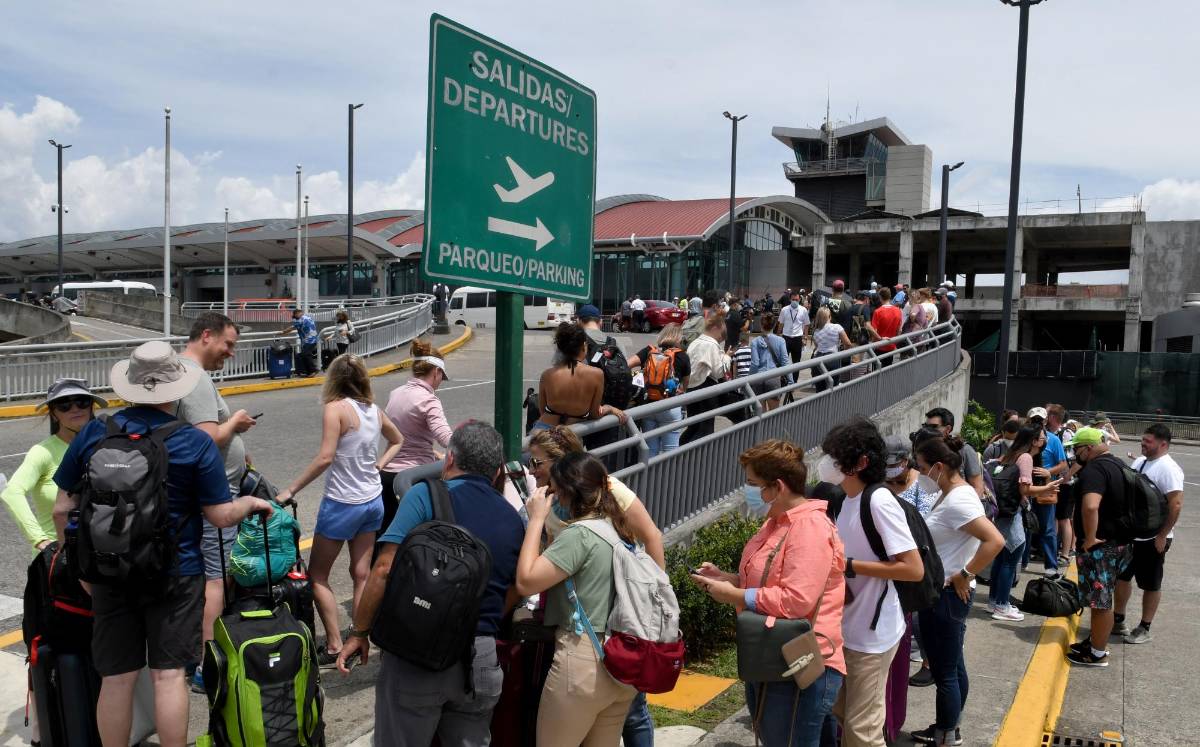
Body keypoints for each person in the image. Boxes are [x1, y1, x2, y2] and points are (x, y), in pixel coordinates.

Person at [52, 341, 275, 747]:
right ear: (176, 390)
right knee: (169, 675)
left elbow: (63, 507)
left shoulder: (95, 433)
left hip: (107, 570)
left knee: (116, 678)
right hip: (176, 573)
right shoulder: (193, 442)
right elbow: (220, 516)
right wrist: (252, 502)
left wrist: (80, 565)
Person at [337, 422, 523, 743]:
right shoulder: (512, 518)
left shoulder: (425, 495)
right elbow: (516, 588)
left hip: (419, 656)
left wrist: (360, 633)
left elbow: (383, 569)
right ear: (496, 472)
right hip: (480, 660)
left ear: (449, 459)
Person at [691, 440, 846, 745]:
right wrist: (729, 578)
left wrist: (734, 595)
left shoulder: (809, 527)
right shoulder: (776, 522)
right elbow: (771, 579)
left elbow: (797, 600)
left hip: (800, 662)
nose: (748, 490)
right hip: (773, 655)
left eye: (752, 484)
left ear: (777, 487)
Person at [274, 354, 405, 665]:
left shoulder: (335, 410)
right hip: (372, 501)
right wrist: (379, 466)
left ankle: (333, 645)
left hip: (342, 504)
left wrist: (290, 490)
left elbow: (324, 458)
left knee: (317, 575)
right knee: (361, 574)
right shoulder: (374, 410)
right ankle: (359, 637)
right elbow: (398, 440)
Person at [513, 452, 639, 744]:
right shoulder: (619, 529)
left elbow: (526, 581)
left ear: (568, 494)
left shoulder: (580, 535)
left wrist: (536, 520)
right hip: (621, 661)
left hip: (583, 662)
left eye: (554, 491)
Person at [819, 418, 924, 747]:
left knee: (862, 732)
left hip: (872, 635)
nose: (827, 464)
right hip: (846, 628)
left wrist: (849, 565)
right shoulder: (845, 500)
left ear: (861, 462)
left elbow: (913, 568)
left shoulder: (877, 501)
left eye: (837, 457)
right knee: (842, 715)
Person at [174, 312, 259, 692]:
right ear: (206, 335)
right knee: (215, 580)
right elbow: (204, 440)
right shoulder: (194, 379)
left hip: (205, 493)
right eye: (228, 344)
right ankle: (205, 666)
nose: (230, 352)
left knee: (210, 577)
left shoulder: (182, 372)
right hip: (214, 498)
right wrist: (235, 425)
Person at [909, 436, 1004, 746]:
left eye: (922, 467)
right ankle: (949, 727)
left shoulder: (960, 499)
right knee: (952, 667)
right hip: (942, 593)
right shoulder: (950, 493)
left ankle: (946, 734)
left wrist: (965, 573)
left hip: (948, 595)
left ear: (938, 466)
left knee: (945, 672)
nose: (919, 473)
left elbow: (995, 541)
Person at [2, 379, 106, 556]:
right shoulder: (42, 452)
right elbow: (11, 492)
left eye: (82, 401)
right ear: (53, 414)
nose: (75, 408)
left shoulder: (108, 445)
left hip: (99, 554)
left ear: (92, 406)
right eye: (64, 404)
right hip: (58, 558)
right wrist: (40, 540)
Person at [1065, 427, 1134, 667]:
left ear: (1089, 448)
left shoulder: (1094, 469)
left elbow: (1091, 506)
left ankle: (1097, 653)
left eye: (1077, 448)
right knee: (1103, 598)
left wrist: (1090, 537)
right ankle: (1096, 641)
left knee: (1100, 602)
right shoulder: (1119, 465)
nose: (1075, 454)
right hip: (1121, 544)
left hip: (1101, 547)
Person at [1113, 424, 1184, 645]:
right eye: (1143, 439)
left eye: (1148, 441)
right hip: (1133, 535)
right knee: (1122, 577)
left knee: (1150, 583)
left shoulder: (1169, 468)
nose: (1143, 443)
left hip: (1154, 537)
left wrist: (1163, 535)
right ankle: (1119, 619)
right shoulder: (1141, 462)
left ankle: (1144, 627)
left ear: (1163, 444)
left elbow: (1176, 504)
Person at [380, 339, 453, 537]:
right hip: (413, 479)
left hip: (386, 475)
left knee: (386, 536)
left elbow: (403, 433)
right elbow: (446, 438)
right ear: (436, 372)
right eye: (441, 377)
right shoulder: (429, 400)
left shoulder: (395, 394)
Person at [988, 424, 1058, 620]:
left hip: (1001, 513)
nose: (1045, 442)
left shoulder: (1009, 454)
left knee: (1001, 559)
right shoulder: (1025, 457)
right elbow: (1025, 490)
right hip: (1013, 514)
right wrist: (1047, 488)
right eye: (1043, 438)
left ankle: (994, 601)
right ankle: (1002, 605)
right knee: (1012, 558)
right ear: (1034, 441)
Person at [535, 322, 626, 431]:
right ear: (583, 346)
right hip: (571, 433)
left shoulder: (547, 375)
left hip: (543, 431)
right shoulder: (596, 374)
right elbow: (594, 414)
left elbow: (542, 411)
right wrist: (610, 408)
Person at [627, 323, 691, 457]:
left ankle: (649, 477)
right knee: (670, 452)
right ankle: (668, 477)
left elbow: (626, 365)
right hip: (670, 407)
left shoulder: (649, 351)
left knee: (650, 451)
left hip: (648, 406)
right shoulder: (682, 356)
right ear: (679, 338)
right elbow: (684, 387)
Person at [1026, 406, 1067, 576]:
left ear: (1045, 421)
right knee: (1024, 526)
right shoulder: (1024, 438)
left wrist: (1048, 472)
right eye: (1033, 420)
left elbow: (1064, 464)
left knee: (1047, 527)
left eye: (1040, 420)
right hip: (1026, 486)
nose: (1037, 423)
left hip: (1045, 487)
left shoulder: (1053, 440)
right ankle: (1022, 560)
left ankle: (1051, 564)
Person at [680, 314, 729, 445]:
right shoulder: (711, 345)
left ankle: (680, 453)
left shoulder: (694, 343)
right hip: (706, 389)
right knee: (706, 429)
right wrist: (726, 358)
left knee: (693, 426)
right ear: (715, 328)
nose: (721, 339)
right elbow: (718, 372)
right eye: (721, 335)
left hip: (691, 388)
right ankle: (698, 460)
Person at [924, 408, 986, 499]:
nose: (928, 431)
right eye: (926, 426)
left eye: (934, 427)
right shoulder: (923, 451)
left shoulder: (964, 450)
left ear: (948, 429)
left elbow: (978, 487)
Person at [1046, 404, 1078, 564]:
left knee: (1064, 518)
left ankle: (1065, 554)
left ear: (1052, 417)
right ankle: (1053, 550)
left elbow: (1076, 460)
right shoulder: (1055, 433)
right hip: (1056, 483)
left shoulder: (1065, 434)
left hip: (1065, 484)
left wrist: (1066, 478)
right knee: (1055, 518)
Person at [882, 436, 937, 517]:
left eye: (892, 465)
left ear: (906, 460)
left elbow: (925, 518)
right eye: (885, 465)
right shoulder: (878, 480)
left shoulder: (923, 483)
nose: (888, 468)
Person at [750, 312, 791, 411]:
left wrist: (749, 378)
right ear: (774, 325)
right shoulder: (781, 341)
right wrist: (790, 380)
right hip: (773, 377)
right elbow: (785, 362)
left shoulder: (755, 342)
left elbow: (755, 363)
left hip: (758, 378)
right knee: (773, 414)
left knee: (760, 414)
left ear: (761, 325)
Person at [810, 306, 852, 393]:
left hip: (818, 359)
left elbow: (817, 347)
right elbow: (848, 343)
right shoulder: (837, 327)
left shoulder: (816, 331)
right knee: (833, 388)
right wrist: (844, 354)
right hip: (832, 358)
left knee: (820, 390)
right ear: (829, 316)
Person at [279, 307, 320, 377]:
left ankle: (313, 370)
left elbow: (292, 328)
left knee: (305, 354)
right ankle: (309, 372)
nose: (296, 316)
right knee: (305, 355)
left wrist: (282, 332)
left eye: (296, 314)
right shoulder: (307, 317)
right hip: (312, 339)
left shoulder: (301, 319)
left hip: (309, 340)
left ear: (298, 313)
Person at [871, 287, 902, 366]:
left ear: (880, 297)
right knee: (888, 369)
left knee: (877, 371)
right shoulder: (898, 310)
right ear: (890, 296)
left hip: (879, 345)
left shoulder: (878, 312)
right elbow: (899, 330)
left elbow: (873, 331)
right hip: (891, 345)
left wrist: (876, 340)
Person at [779, 292, 810, 364]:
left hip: (798, 339)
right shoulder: (784, 309)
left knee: (796, 362)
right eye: (793, 299)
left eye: (796, 300)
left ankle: (795, 376)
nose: (795, 301)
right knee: (783, 361)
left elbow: (806, 324)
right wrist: (778, 335)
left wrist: (805, 338)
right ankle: (784, 375)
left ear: (799, 299)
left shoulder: (803, 310)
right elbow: (781, 323)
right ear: (790, 299)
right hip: (786, 338)